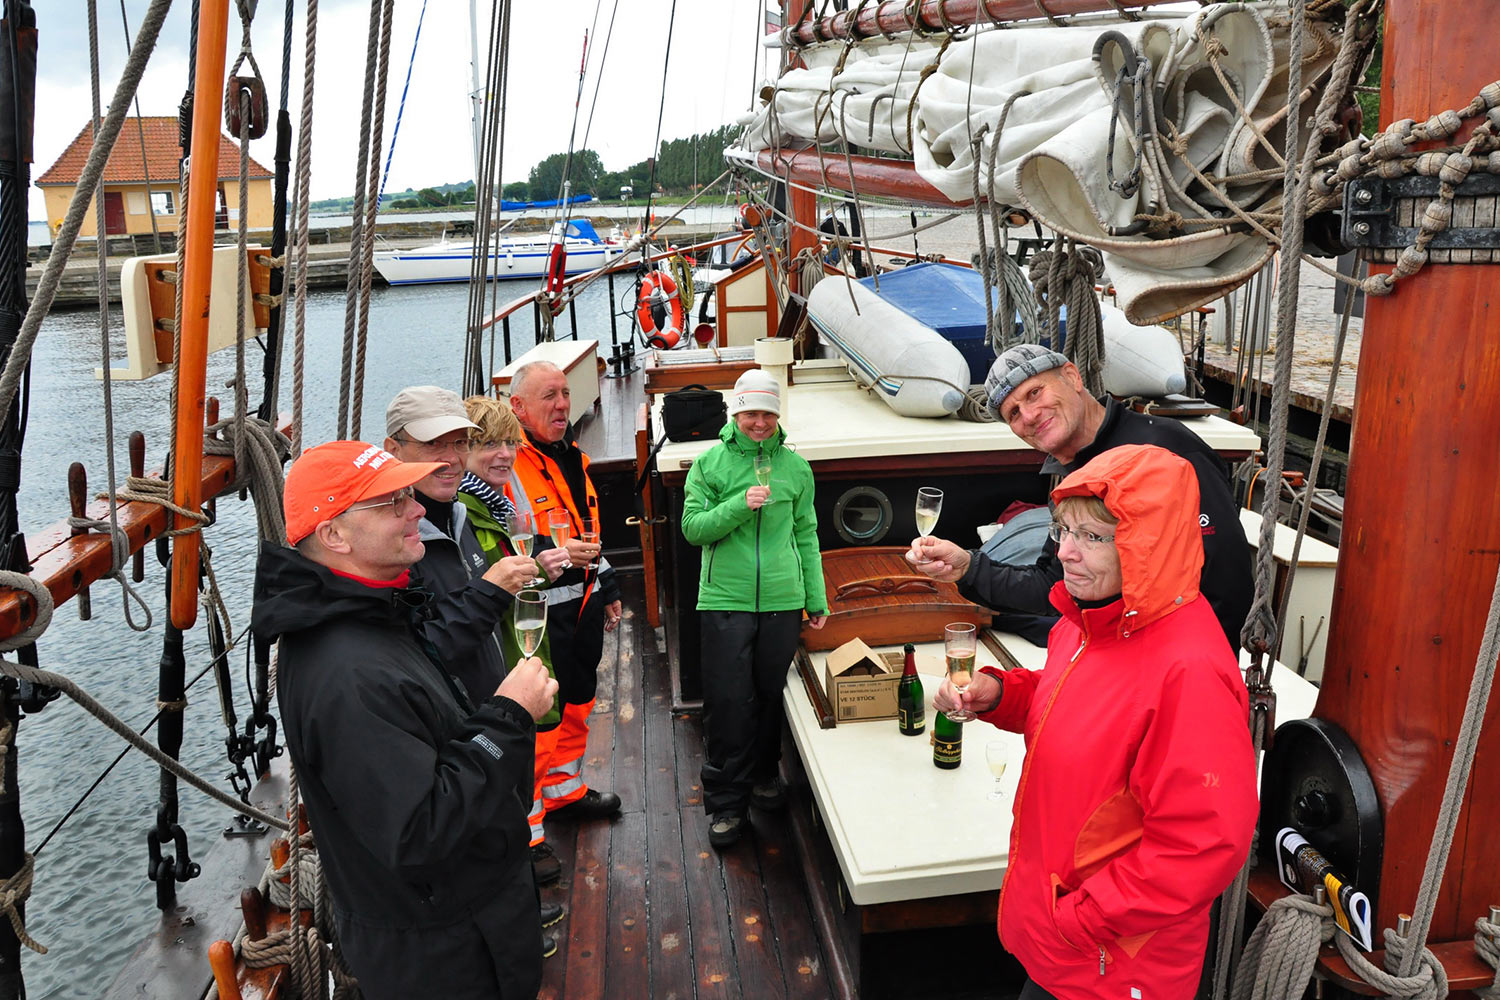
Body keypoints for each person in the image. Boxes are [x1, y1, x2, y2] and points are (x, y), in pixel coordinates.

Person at [934, 444, 1258, 1000]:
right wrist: (1002, 695)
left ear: (1148, 543)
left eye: (1092, 537)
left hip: (1113, 963)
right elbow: (1081, 703)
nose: (1065, 552)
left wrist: (1080, 920)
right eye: (1063, 531)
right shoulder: (1088, 621)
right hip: (1065, 943)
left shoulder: (1190, 671)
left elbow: (1201, 843)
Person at [254, 440, 560, 1000]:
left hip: (468, 925)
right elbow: (421, 832)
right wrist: (509, 716)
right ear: (335, 535)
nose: (417, 508)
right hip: (445, 956)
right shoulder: (346, 674)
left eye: (407, 495)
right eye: (392, 502)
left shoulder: (378, 614)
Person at [907, 343, 1253, 647]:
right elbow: (1053, 585)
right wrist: (967, 568)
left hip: (1174, 661)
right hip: (1115, 651)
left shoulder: (1169, 450)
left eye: (1034, 393)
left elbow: (1227, 579)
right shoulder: (1069, 476)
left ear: (1072, 377)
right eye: (1013, 413)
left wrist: (1197, 671)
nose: (1029, 415)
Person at [384, 385, 571, 898]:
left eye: (459, 443)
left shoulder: (458, 516)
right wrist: (491, 590)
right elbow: (420, 654)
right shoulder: (399, 541)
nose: (451, 459)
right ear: (393, 449)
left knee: (506, 834)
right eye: (434, 445)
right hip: (452, 736)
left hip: (491, 716)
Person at [680, 369, 829, 848]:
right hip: (725, 599)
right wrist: (740, 505)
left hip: (783, 602)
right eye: (751, 414)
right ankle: (727, 805)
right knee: (728, 704)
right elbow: (693, 529)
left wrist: (815, 597)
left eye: (768, 414)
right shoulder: (710, 465)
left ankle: (764, 774)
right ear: (735, 413)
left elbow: (806, 535)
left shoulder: (796, 469)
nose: (759, 423)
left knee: (768, 696)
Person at [458, 393, 570, 886]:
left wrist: (539, 569)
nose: (504, 454)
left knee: (530, 754)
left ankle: (529, 839)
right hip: (498, 660)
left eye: (509, 442)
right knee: (512, 759)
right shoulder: (465, 514)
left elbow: (505, 581)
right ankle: (524, 851)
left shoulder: (496, 507)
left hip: (518, 647)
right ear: (461, 451)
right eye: (488, 444)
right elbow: (478, 592)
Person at [508, 361, 623, 823]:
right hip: (539, 617)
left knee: (578, 702)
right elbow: (502, 540)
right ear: (517, 406)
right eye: (548, 396)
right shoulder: (507, 466)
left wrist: (607, 585)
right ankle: (529, 830)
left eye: (565, 394)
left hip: (584, 605)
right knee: (542, 718)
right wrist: (550, 553)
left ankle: (564, 792)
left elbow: (586, 532)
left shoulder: (570, 456)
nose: (561, 405)